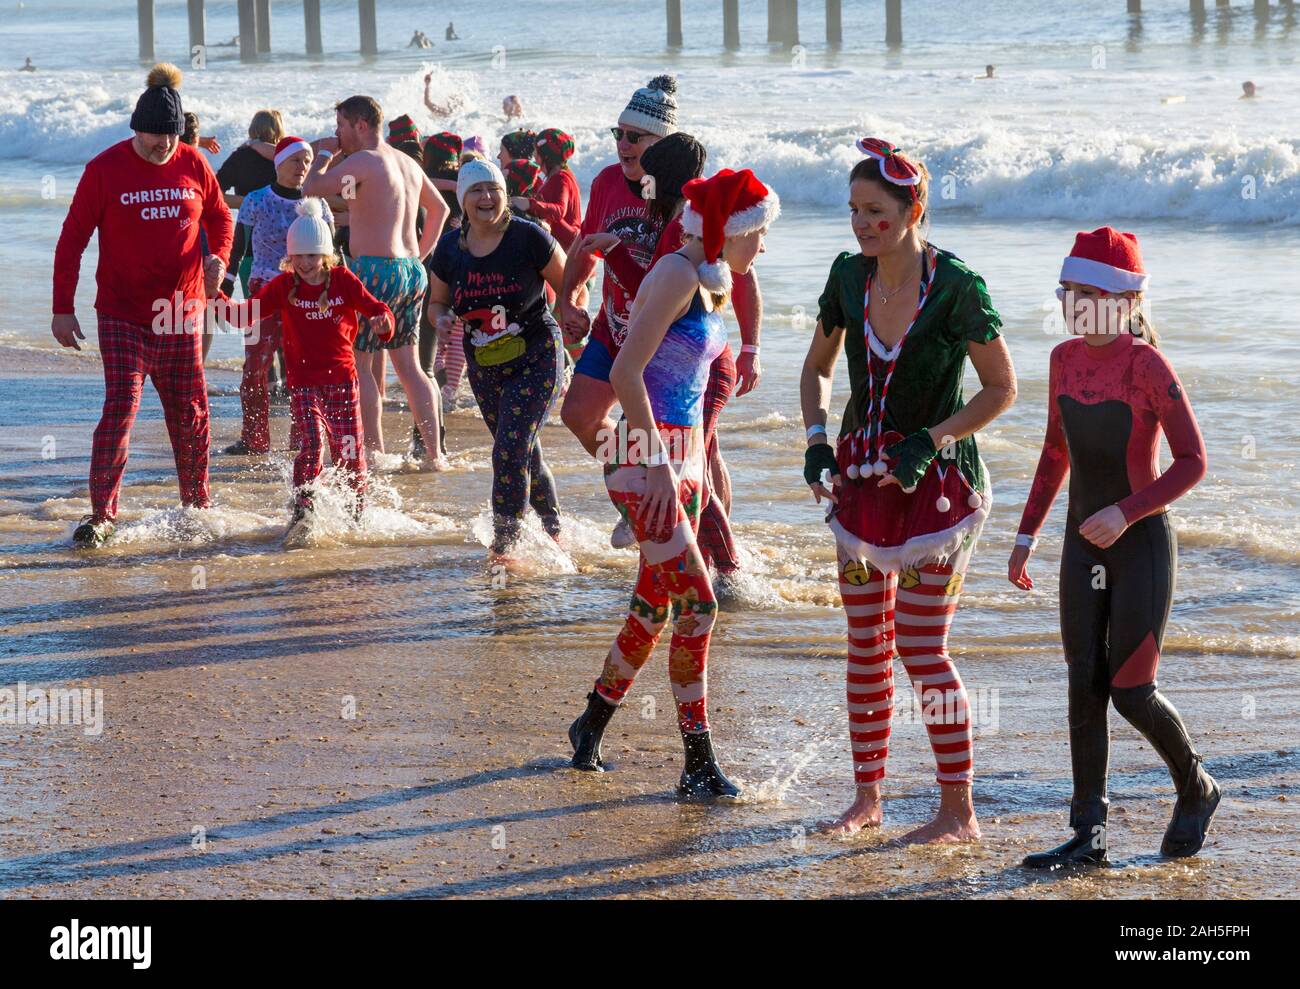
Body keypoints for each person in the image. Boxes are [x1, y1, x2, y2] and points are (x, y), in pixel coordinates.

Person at [801, 138, 1016, 843]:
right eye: (855, 210)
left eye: (877, 211)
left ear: (913, 208)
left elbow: (1001, 389)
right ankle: (867, 800)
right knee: (866, 642)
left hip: (942, 492)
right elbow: (818, 370)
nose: (863, 224)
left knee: (921, 646)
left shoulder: (957, 286)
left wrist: (933, 439)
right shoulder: (845, 275)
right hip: (862, 482)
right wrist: (816, 440)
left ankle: (958, 811)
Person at [568, 168, 777, 799]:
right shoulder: (676, 275)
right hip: (644, 459)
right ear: (729, 231)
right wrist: (658, 465)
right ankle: (697, 762)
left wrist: (689, 469)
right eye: (759, 235)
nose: (762, 248)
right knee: (700, 605)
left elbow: (686, 387)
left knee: (654, 607)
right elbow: (628, 371)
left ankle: (590, 726)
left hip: (677, 461)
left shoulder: (713, 280)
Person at [1013, 228, 1219, 867]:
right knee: (1083, 686)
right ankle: (1089, 838)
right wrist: (1026, 537)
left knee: (1131, 691)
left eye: (1090, 293)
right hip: (1082, 549)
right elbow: (1054, 452)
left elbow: (1192, 462)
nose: (1076, 303)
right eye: (1069, 291)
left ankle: (1196, 785)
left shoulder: (1147, 366)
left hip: (1141, 548)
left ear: (1125, 301)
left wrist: (1127, 513)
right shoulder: (1062, 358)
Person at [51, 63, 232, 547]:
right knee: (121, 407)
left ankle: (198, 505)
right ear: (137, 128)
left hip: (182, 312)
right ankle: (102, 517)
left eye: (171, 137)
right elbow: (71, 241)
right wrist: (62, 307)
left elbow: (219, 217)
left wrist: (218, 259)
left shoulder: (194, 163)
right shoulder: (104, 170)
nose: (163, 145)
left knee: (191, 412)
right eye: (154, 136)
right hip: (123, 312)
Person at [580, 132, 764, 580]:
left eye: (649, 180)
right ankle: (688, 551)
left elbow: (737, 281)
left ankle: (724, 568)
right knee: (685, 462)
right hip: (678, 368)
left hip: (696, 365)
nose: (643, 188)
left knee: (695, 467)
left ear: (665, 181)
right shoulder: (691, 233)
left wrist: (751, 348)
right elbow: (654, 290)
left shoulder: (694, 228)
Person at [426, 160, 568, 560]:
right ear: (462, 199)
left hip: (537, 357)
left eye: (494, 189)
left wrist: (576, 318)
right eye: (476, 190)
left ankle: (505, 547)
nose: (486, 197)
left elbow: (569, 287)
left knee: (509, 448)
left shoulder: (529, 238)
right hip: (485, 368)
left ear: (505, 195)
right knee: (523, 451)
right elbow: (436, 303)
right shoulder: (450, 250)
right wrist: (442, 320)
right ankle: (554, 531)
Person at [220, 199, 394, 526]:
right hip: (303, 385)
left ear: (326, 255)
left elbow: (376, 309)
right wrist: (215, 294)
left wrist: (383, 322)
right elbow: (244, 316)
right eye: (298, 256)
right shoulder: (285, 286)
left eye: (312, 255)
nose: (305, 262)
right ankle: (304, 507)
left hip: (342, 382)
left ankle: (357, 511)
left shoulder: (343, 281)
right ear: (289, 257)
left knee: (349, 453)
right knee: (311, 442)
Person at [303, 95, 450, 467]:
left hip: (371, 272)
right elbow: (441, 209)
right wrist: (420, 255)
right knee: (410, 366)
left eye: (340, 125)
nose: (336, 133)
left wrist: (322, 154)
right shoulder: (406, 163)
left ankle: (374, 452)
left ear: (361, 125)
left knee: (361, 364)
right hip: (411, 272)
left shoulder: (363, 160)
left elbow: (310, 188)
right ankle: (435, 454)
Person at [559, 75, 676, 470]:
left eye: (635, 137)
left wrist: (751, 347)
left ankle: (654, 496)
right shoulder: (607, 181)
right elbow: (583, 245)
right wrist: (568, 299)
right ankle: (633, 486)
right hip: (613, 326)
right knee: (578, 415)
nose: (622, 144)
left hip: (665, 338)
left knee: (682, 444)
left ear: (660, 144)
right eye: (619, 133)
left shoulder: (680, 192)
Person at [223, 136, 333, 456]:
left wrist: (333, 294)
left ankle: (303, 437)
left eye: (307, 162)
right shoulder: (257, 200)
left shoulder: (318, 205)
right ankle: (254, 438)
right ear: (279, 163)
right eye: (296, 160)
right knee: (255, 366)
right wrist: (227, 286)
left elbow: (329, 256)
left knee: (303, 366)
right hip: (264, 291)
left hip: (305, 295)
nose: (303, 167)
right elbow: (238, 247)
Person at [514, 129, 582, 253]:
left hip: (570, 250)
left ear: (545, 155)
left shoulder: (561, 178)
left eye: (536, 150)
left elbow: (560, 210)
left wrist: (529, 204)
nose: (534, 154)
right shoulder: (556, 177)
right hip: (567, 246)